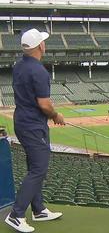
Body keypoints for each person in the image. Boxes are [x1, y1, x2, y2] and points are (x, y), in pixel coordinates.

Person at [5, 29, 65, 233]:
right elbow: (45, 105)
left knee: (34, 167)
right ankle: (16, 214)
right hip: (33, 125)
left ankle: (38, 210)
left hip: (22, 121)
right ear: (40, 46)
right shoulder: (39, 71)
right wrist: (56, 115)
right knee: (39, 169)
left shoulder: (18, 66)